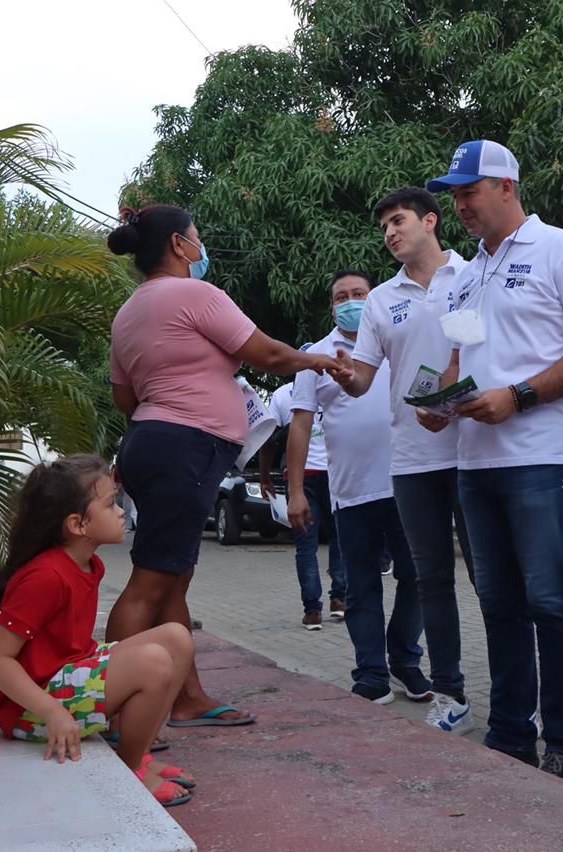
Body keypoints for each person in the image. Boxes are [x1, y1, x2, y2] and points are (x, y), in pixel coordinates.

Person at [421, 140, 563, 787]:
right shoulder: (465, 274)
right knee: (499, 603)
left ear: (506, 185)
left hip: (537, 458)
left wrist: (521, 395)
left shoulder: (561, 250)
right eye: (452, 193)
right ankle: (511, 732)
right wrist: (436, 406)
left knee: (551, 601)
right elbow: (456, 367)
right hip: (473, 464)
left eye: (468, 191)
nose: (459, 205)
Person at [105, 204, 344, 731]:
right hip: (183, 448)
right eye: (197, 238)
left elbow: (126, 397)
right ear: (177, 246)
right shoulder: (196, 294)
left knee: (172, 582)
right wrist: (320, 360)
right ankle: (115, 711)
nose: (201, 247)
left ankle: (187, 697)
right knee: (149, 583)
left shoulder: (129, 312)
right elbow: (270, 357)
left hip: (151, 442)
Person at [330, 186, 476, 735]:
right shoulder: (378, 300)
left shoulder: (470, 276)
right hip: (412, 460)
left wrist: (454, 392)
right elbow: (365, 376)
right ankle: (450, 693)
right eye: (385, 226)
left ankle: (518, 698)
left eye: (398, 221)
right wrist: (348, 376)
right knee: (431, 579)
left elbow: (483, 350)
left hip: (473, 452)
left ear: (430, 221)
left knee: (489, 579)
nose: (391, 233)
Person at [0, 455, 197, 807]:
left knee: (177, 637)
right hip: (30, 710)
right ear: (78, 524)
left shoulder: (86, 564)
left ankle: (138, 754)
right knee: (154, 661)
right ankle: (129, 776)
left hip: (63, 677)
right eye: (111, 504)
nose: (122, 511)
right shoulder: (45, 577)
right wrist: (51, 711)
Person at [288, 270, 430, 704]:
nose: (349, 301)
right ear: (331, 307)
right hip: (351, 492)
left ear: (375, 298)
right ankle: (371, 672)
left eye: (358, 294)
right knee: (360, 585)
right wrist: (295, 491)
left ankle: (405, 658)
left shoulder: (399, 341)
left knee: (420, 577)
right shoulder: (316, 356)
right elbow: (300, 423)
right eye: (340, 297)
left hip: (410, 483)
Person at [259, 376, 347, 629]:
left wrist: (266, 477)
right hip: (335, 475)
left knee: (305, 546)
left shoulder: (283, 395)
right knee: (339, 538)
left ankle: (312, 611)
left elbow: (269, 440)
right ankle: (339, 599)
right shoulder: (336, 388)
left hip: (300, 478)